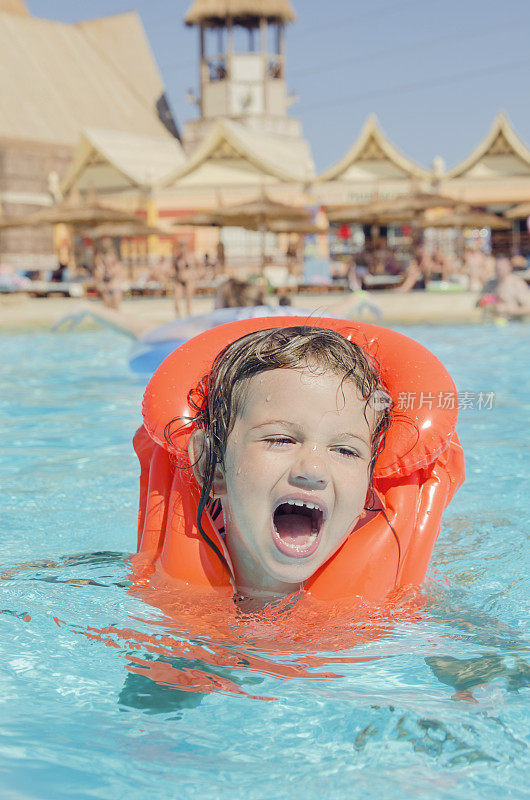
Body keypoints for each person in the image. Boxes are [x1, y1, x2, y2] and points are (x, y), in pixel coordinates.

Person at [175, 326, 392, 605]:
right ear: (213, 465)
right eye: (281, 439)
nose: (314, 470)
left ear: (368, 487)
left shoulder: (411, 620)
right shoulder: (131, 602)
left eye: (345, 450)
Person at [94, 243, 124, 310]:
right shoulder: (102, 268)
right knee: (107, 312)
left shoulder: (117, 266)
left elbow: (117, 275)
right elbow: (97, 279)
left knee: (116, 311)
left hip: (115, 290)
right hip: (106, 292)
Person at [172, 242, 195, 317]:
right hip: (179, 280)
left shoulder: (190, 257)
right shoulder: (177, 258)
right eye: (180, 248)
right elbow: (173, 269)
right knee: (176, 299)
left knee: (188, 300)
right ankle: (178, 316)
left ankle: (188, 315)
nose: (182, 250)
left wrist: (193, 276)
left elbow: (195, 267)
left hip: (188, 281)